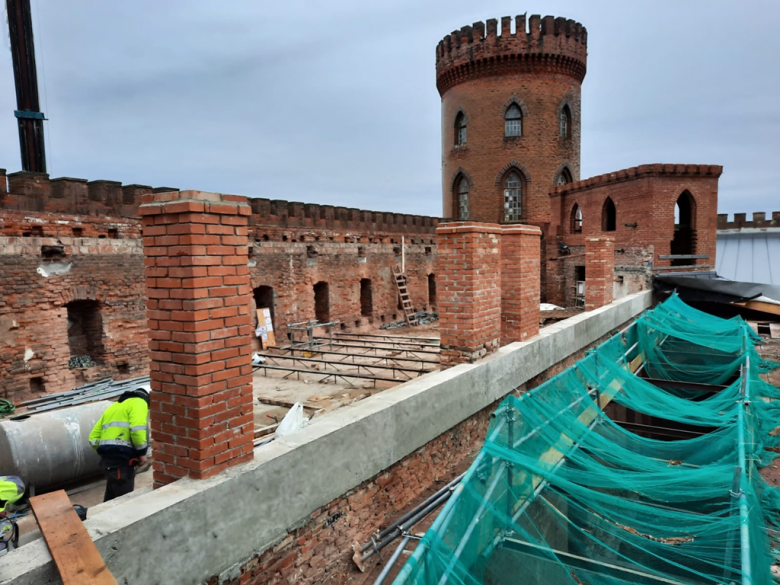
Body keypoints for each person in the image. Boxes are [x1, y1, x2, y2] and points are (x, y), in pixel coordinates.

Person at [88, 387, 150, 502]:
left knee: (112, 495)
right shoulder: (140, 402)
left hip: (107, 461)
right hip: (122, 462)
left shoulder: (114, 407)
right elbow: (137, 430)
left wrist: (107, 452)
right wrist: (141, 453)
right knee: (123, 500)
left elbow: (93, 438)